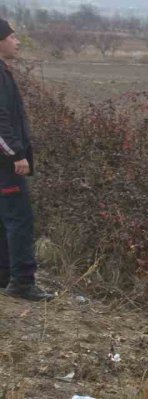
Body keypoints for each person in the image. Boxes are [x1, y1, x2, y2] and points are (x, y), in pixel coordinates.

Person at [0, 19, 52, 301]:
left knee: (4, 218)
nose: (17, 42)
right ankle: (22, 281)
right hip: (6, 164)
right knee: (20, 219)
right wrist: (16, 154)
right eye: (12, 36)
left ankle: (5, 275)